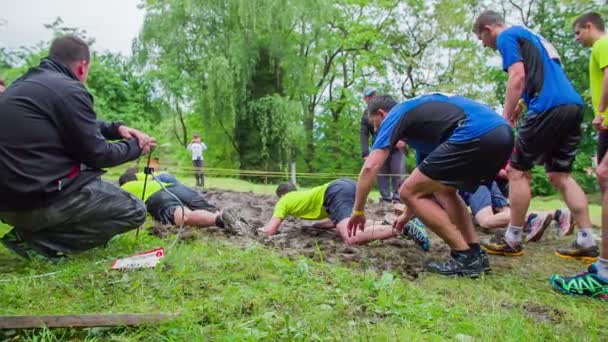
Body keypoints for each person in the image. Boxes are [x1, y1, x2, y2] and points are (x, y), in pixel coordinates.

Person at [0, 35, 155, 261]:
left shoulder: (23, 86)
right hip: (37, 202)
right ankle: (36, 242)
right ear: (83, 67)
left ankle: (31, 233)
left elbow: (77, 124)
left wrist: (117, 129)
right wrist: (136, 147)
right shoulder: (70, 89)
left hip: (8, 204)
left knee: (90, 181)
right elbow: (97, 155)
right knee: (133, 210)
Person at [473, 11, 598, 261]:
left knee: (517, 171)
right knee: (559, 175)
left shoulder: (507, 36)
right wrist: (522, 102)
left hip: (547, 106)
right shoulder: (533, 37)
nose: (483, 43)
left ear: (488, 29)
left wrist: (505, 118)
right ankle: (587, 239)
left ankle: (512, 238)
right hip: (571, 105)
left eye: (480, 37)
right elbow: (543, 75)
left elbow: (517, 75)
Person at [348, 93, 513, 277]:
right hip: (502, 135)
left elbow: (370, 167)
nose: (378, 131)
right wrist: (405, 217)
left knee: (407, 191)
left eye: (377, 125)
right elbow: (422, 191)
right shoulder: (423, 130)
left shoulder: (397, 113)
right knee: (444, 190)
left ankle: (464, 255)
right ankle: (474, 252)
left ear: (382, 114)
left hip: (475, 132)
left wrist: (358, 212)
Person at [551, 12, 608, 299]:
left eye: (577, 33)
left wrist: (600, 111)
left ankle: (604, 274)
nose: (576, 39)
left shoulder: (602, 44)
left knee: (605, 178)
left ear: (589, 27)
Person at [260, 179, 430, 249]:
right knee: (351, 225)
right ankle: (391, 222)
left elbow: (271, 229)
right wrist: (315, 226)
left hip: (335, 191)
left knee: (350, 237)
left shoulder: (284, 201)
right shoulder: (301, 196)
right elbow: (334, 219)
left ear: (281, 195)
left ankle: (401, 227)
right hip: (347, 185)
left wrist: (259, 230)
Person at [118, 172, 252, 236]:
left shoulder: (124, 188)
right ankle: (228, 217)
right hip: (176, 188)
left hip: (156, 197)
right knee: (209, 209)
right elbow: (162, 174)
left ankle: (219, 220)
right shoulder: (144, 177)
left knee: (183, 216)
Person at [360, 87, 405, 203]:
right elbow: (363, 133)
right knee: (380, 172)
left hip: (395, 146)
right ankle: (385, 198)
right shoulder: (365, 115)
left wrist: (403, 139)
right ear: (365, 99)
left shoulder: (391, 108)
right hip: (379, 146)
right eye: (368, 96)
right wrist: (365, 152)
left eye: (373, 95)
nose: (371, 98)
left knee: (397, 170)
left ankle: (398, 197)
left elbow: (402, 122)